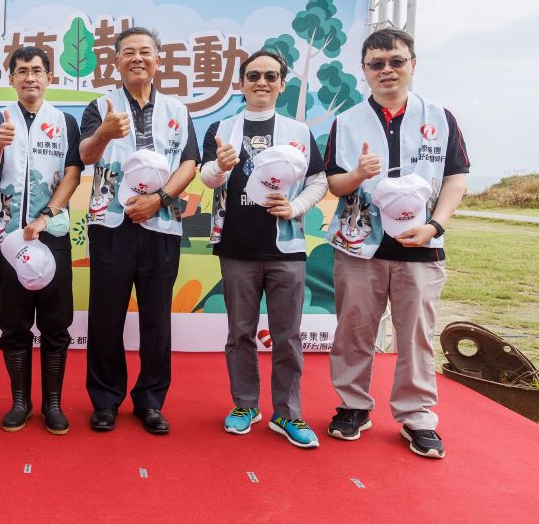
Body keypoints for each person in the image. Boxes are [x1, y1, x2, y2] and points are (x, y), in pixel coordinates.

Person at [324, 28, 469, 459]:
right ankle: (353, 405)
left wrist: (435, 226)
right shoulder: (346, 121)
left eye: (396, 61)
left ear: (412, 64)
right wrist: (358, 175)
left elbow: (455, 178)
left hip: (420, 245)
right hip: (359, 244)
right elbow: (334, 182)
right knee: (353, 330)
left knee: (416, 335)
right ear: (364, 70)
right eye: (377, 64)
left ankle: (417, 415)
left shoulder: (440, 117)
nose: (386, 70)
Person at [200, 50, 328, 448]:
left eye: (271, 76)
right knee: (239, 332)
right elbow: (206, 178)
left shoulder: (298, 131)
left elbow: (319, 181)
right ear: (240, 83)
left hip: (286, 248)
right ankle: (245, 405)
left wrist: (296, 206)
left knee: (287, 336)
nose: (261, 82)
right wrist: (220, 166)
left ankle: (287, 413)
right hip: (236, 246)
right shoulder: (222, 128)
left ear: (282, 84)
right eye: (253, 75)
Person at [79, 26, 200, 434]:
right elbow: (85, 155)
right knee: (105, 317)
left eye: (145, 51)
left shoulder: (177, 110)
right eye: (128, 52)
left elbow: (189, 163)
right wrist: (103, 132)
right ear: (116, 61)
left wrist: (159, 199)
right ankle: (105, 400)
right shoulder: (100, 106)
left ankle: (150, 401)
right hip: (111, 224)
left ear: (158, 60)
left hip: (161, 224)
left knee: (156, 318)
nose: (137, 58)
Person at [0, 46, 82, 434]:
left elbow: (73, 174)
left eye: (37, 70)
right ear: (12, 79)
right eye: (21, 71)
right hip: (8, 238)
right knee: (14, 324)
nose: (29, 77)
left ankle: (53, 403)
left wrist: (46, 215)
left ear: (49, 77)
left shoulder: (65, 122)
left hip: (51, 235)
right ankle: (20, 401)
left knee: (56, 324)